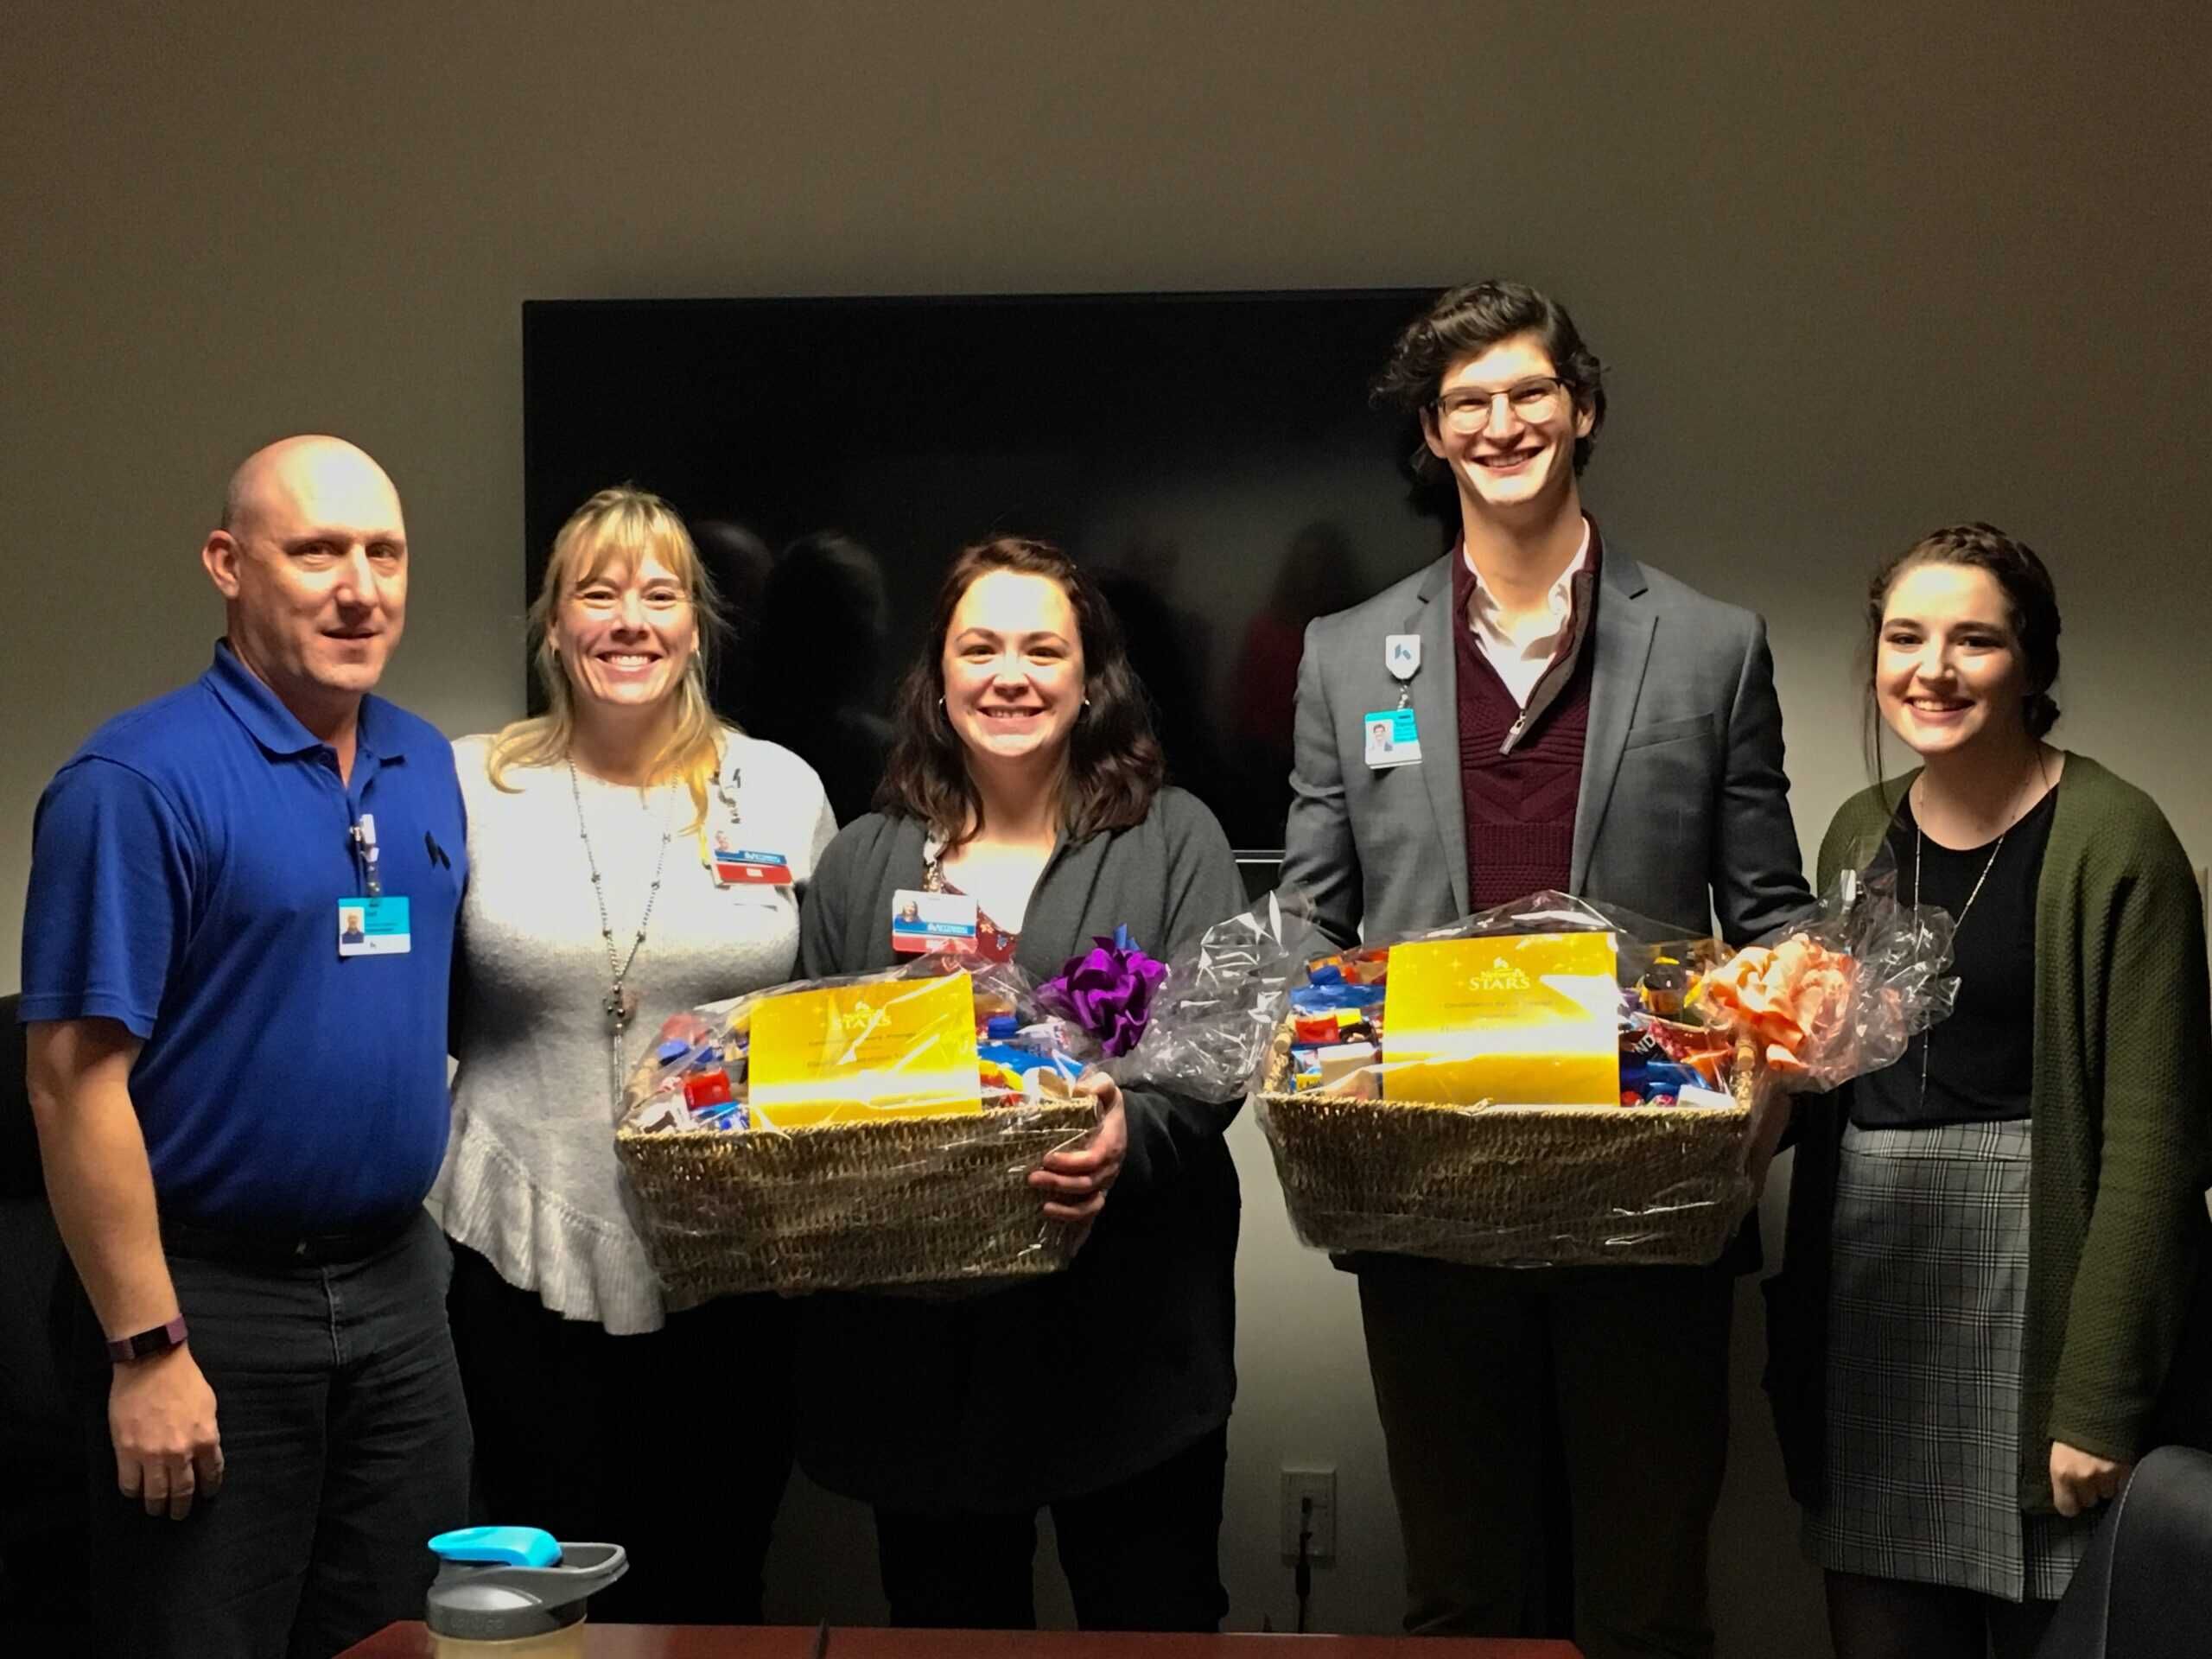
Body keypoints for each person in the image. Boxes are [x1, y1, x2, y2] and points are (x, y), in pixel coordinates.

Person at [1279, 281, 1813, 1659]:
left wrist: (1776, 1077)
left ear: (1581, 407)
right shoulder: (1347, 656)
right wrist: (1280, 1030)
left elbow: (1771, 917)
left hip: (1651, 1203)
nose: (1503, 422)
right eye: (1468, 402)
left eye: (1530, 392)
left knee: (1643, 1604)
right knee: (1464, 1600)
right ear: (1432, 436)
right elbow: (1312, 917)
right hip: (1426, 1192)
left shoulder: (1710, 645)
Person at [20, 435, 472, 1658]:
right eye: (316, 551)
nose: (358, 587)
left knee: (403, 1639)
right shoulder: (135, 781)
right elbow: (71, 1085)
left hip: (397, 1297)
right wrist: (146, 1348)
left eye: (384, 553)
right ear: (228, 564)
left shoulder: (422, 763)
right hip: (210, 1305)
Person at [1764, 524, 2212, 1659]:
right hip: (1874, 1284)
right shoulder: (1858, 831)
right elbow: (1829, 1076)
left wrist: (2098, 1401)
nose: (1934, 669)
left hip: (2039, 1293)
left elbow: (2158, 1148)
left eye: (1976, 640)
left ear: (2033, 664)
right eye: (1906, 637)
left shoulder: (2119, 839)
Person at [795, 536, 1245, 1631]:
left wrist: (1123, 1132)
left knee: (1154, 1625)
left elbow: (1214, 1047)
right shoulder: (863, 858)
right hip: (923, 1358)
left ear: (1090, 679)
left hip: (1129, 1338)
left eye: (1044, 649)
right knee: (949, 1632)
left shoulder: (1173, 839)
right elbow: (808, 1061)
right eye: (979, 648)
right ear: (938, 679)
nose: (1011, 676)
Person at [436, 486, 834, 1624]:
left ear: (696, 629)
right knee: (533, 1591)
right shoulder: (472, 784)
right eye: (596, 592)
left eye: (660, 594)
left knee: (712, 1579)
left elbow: (832, 1011)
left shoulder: (782, 788)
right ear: (552, 623)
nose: (629, 619)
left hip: (732, 1259)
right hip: (520, 1249)